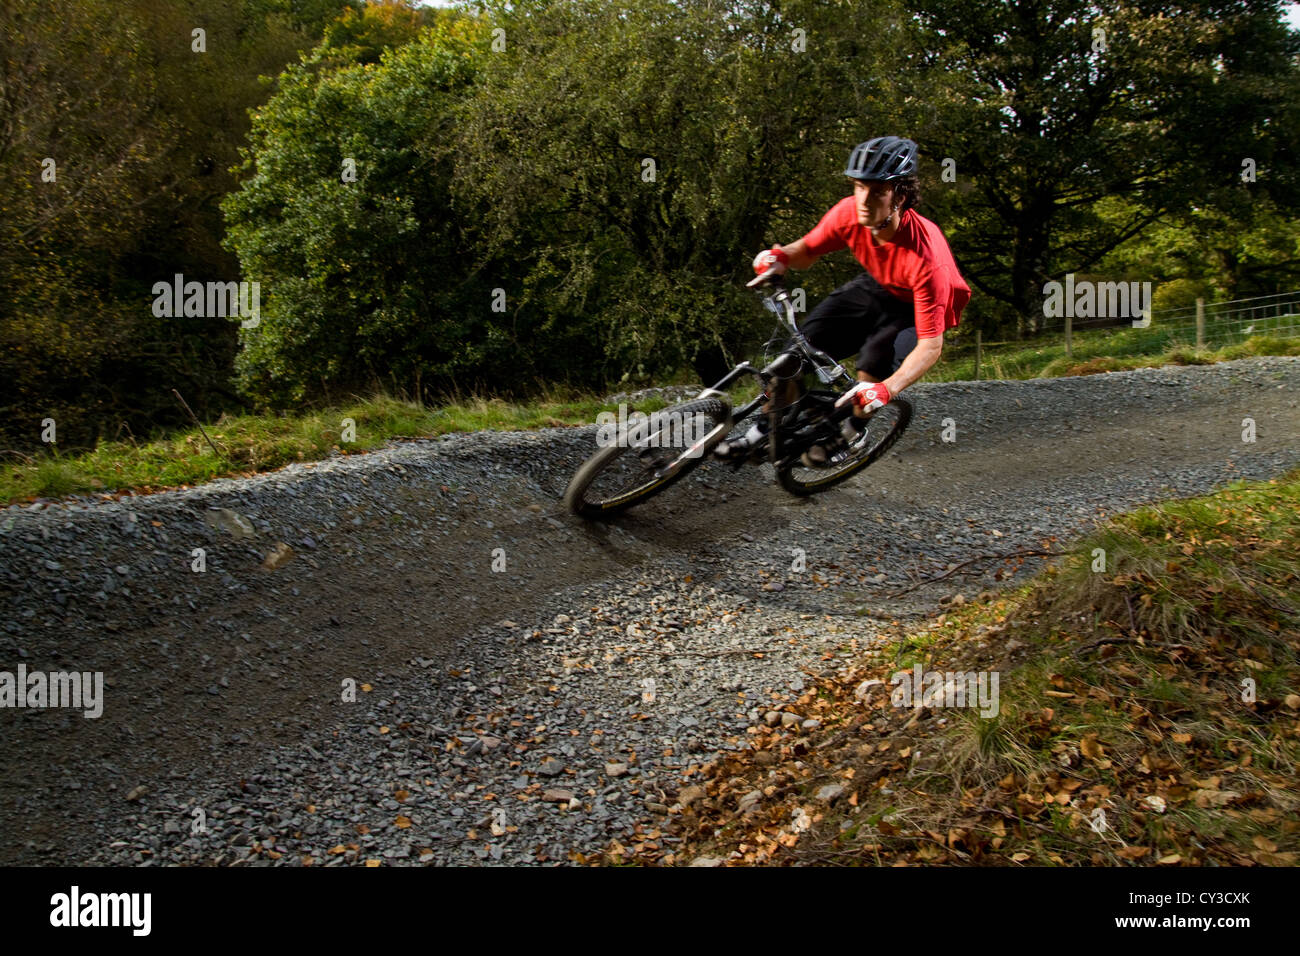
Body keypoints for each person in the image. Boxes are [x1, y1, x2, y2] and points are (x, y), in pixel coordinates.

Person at [717, 136, 970, 465]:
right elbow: (806, 251)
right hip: (877, 285)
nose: (864, 199)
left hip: (913, 308)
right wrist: (778, 258)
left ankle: (851, 432)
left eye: (877, 191)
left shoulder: (927, 259)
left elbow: (930, 347)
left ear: (901, 196)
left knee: (872, 365)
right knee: (792, 359)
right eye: (859, 186)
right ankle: (760, 433)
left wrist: (886, 390)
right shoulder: (849, 213)